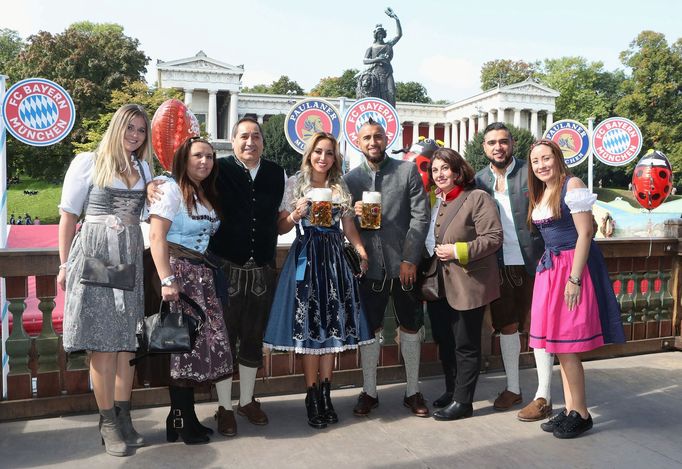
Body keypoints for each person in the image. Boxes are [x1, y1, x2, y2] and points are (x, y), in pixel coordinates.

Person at [58, 104, 153, 457]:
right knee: (103, 342)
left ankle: (124, 416)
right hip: (96, 254)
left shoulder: (143, 168)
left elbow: (149, 214)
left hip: (128, 255)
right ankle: (108, 422)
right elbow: (68, 218)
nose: (135, 135)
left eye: (141, 130)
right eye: (130, 127)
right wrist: (64, 264)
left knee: (127, 342)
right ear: (117, 127)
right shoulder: (87, 162)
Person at [264, 132, 374, 429]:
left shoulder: (340, 186)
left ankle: (326, 394)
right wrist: (296, 214)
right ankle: (312, 396)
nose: (323, 157)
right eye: (318, 152)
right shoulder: (295, 184)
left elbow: (348, 226)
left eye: (329, 153)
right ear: (309, 154)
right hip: (306, 259)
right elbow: (279, 227)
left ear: (335, 157)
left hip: (335, 260)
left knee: (332, 329)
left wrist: (361, 252)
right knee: (309, 329)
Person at [527, 139, 625, 438]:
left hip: (570, 267)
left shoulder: (572, 185)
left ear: (558, 158)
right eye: (535, 161)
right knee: (557, 345)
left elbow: (585, 234)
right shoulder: (544, 191)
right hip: (551, 269)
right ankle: (570, 409)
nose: (541, 165)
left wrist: (575, 278)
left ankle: (581, 413)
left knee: (569, 348)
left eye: (546, 158)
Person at [148, 137, 233, 444]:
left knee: (190, 349)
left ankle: (180, 419)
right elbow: (157, 236)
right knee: (179, 351)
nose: (205, 162)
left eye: (210, 157)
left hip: (201, 276)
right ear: (184, 158)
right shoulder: (169, 188)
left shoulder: (202, 192)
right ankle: (183, 422)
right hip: (179, 275)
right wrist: (168, 281)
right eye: (198, 156)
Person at [344, 118, 430, 418]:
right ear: (358, 141)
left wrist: (410, 259)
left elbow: (421, 217)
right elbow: (345, 225)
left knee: (411, 326)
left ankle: (412, 390)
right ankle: (369, 391)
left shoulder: (406, 171)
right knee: (371, 330)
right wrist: (352, 215)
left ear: (387, 138)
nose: (373, 142)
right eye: (366, 137)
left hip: (404, 266)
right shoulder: (350, 179)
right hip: (370, 268)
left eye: (378, 136)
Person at [209, 117, 286, 436]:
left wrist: (294, 217)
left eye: (256, 136)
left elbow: (280, 223)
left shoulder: (276, 173)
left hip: (262, 269)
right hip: (225, 267)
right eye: (244, 136)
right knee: (224, 339)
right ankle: (224, 407)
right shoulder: (218, 169)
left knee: (253, 337)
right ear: (233, 139)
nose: (250, 142)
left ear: (263, 142)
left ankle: (247, 400)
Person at [475, 122, 553, 421]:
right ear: (485, 147)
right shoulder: (479, 179)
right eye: (492, 142)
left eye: (503, 141)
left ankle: (543, 395)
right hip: (498, 264)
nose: (498, 147)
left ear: (512, 144)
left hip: (537, 260)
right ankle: (513, 388)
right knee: (506, 326)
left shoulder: (531, 171)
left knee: (539, 328)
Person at [425, 149, 503, 421]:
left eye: (445, 168)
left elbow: (493, 237)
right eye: (435, 170)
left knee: (465, 345)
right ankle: (452, 391)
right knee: (445, 341)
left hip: (468, 284)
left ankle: (463, 401)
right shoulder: (438, 201)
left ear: (458, 172)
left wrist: (459, 251)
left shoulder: (477, 198)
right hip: (439, 286)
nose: (440, 174)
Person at [358, 8, 402, 106]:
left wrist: (396, 19)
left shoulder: (388, 44)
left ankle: (391, 114)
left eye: (382, 34)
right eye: (379, 34)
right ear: (376, 35)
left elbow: (399, 35)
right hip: (375, 74)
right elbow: (364, 60)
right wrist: (377, 59)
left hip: (387, 72)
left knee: (391, 93)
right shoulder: (371, 47)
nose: (381, 36)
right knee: (376, 96)